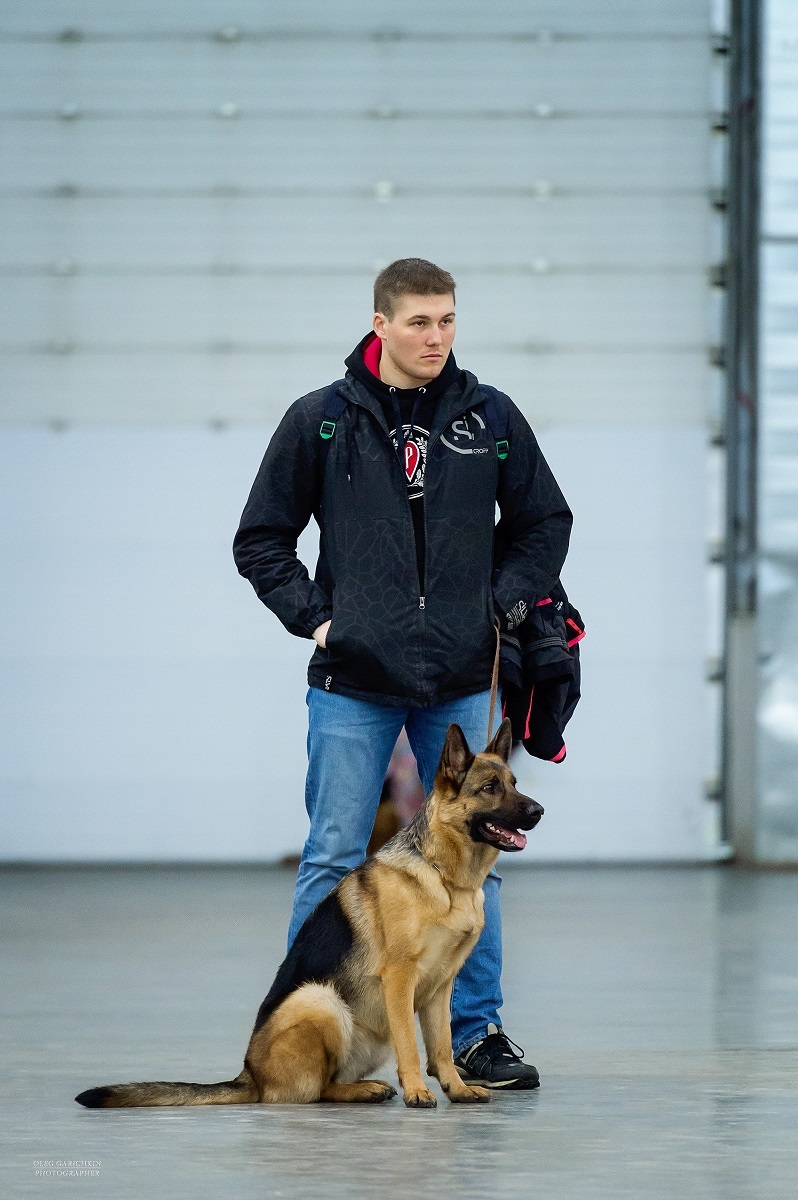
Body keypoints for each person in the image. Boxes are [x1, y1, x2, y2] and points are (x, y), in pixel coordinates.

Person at [233, 258, 572, 1088]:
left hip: (460, 669)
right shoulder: (320, 420)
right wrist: (318, 619)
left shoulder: (490, 417)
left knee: (476, 856)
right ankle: (305, 1026)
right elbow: (261, 538)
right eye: (420, 321)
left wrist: (501, 601)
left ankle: (478, 1033)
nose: (436, 337)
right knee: (334, 852)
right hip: (353, 679)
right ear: (380, 323)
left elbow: (544, 522)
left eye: (448, 320)